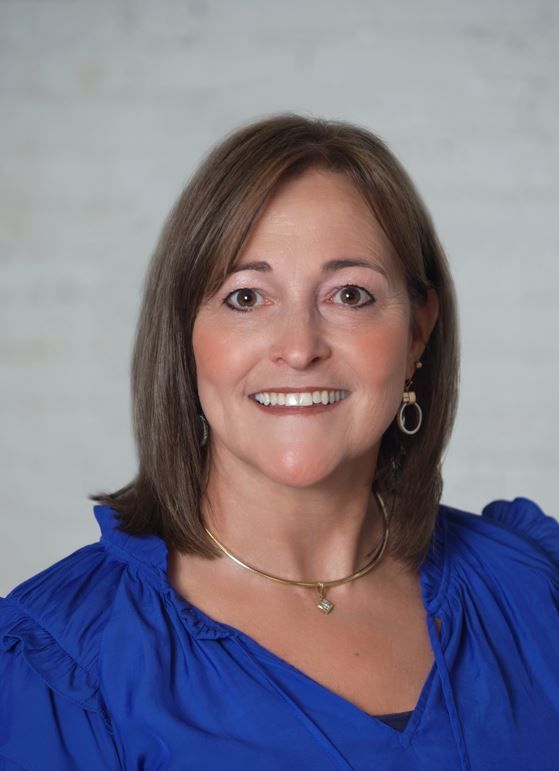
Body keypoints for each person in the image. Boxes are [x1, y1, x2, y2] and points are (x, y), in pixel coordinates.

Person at [1, 115, 558, 771]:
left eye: (349, 294)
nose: (298, 347)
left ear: (416, 332)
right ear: (185, 334)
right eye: (245, 296)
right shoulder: (62, 662)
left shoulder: (530, 588)